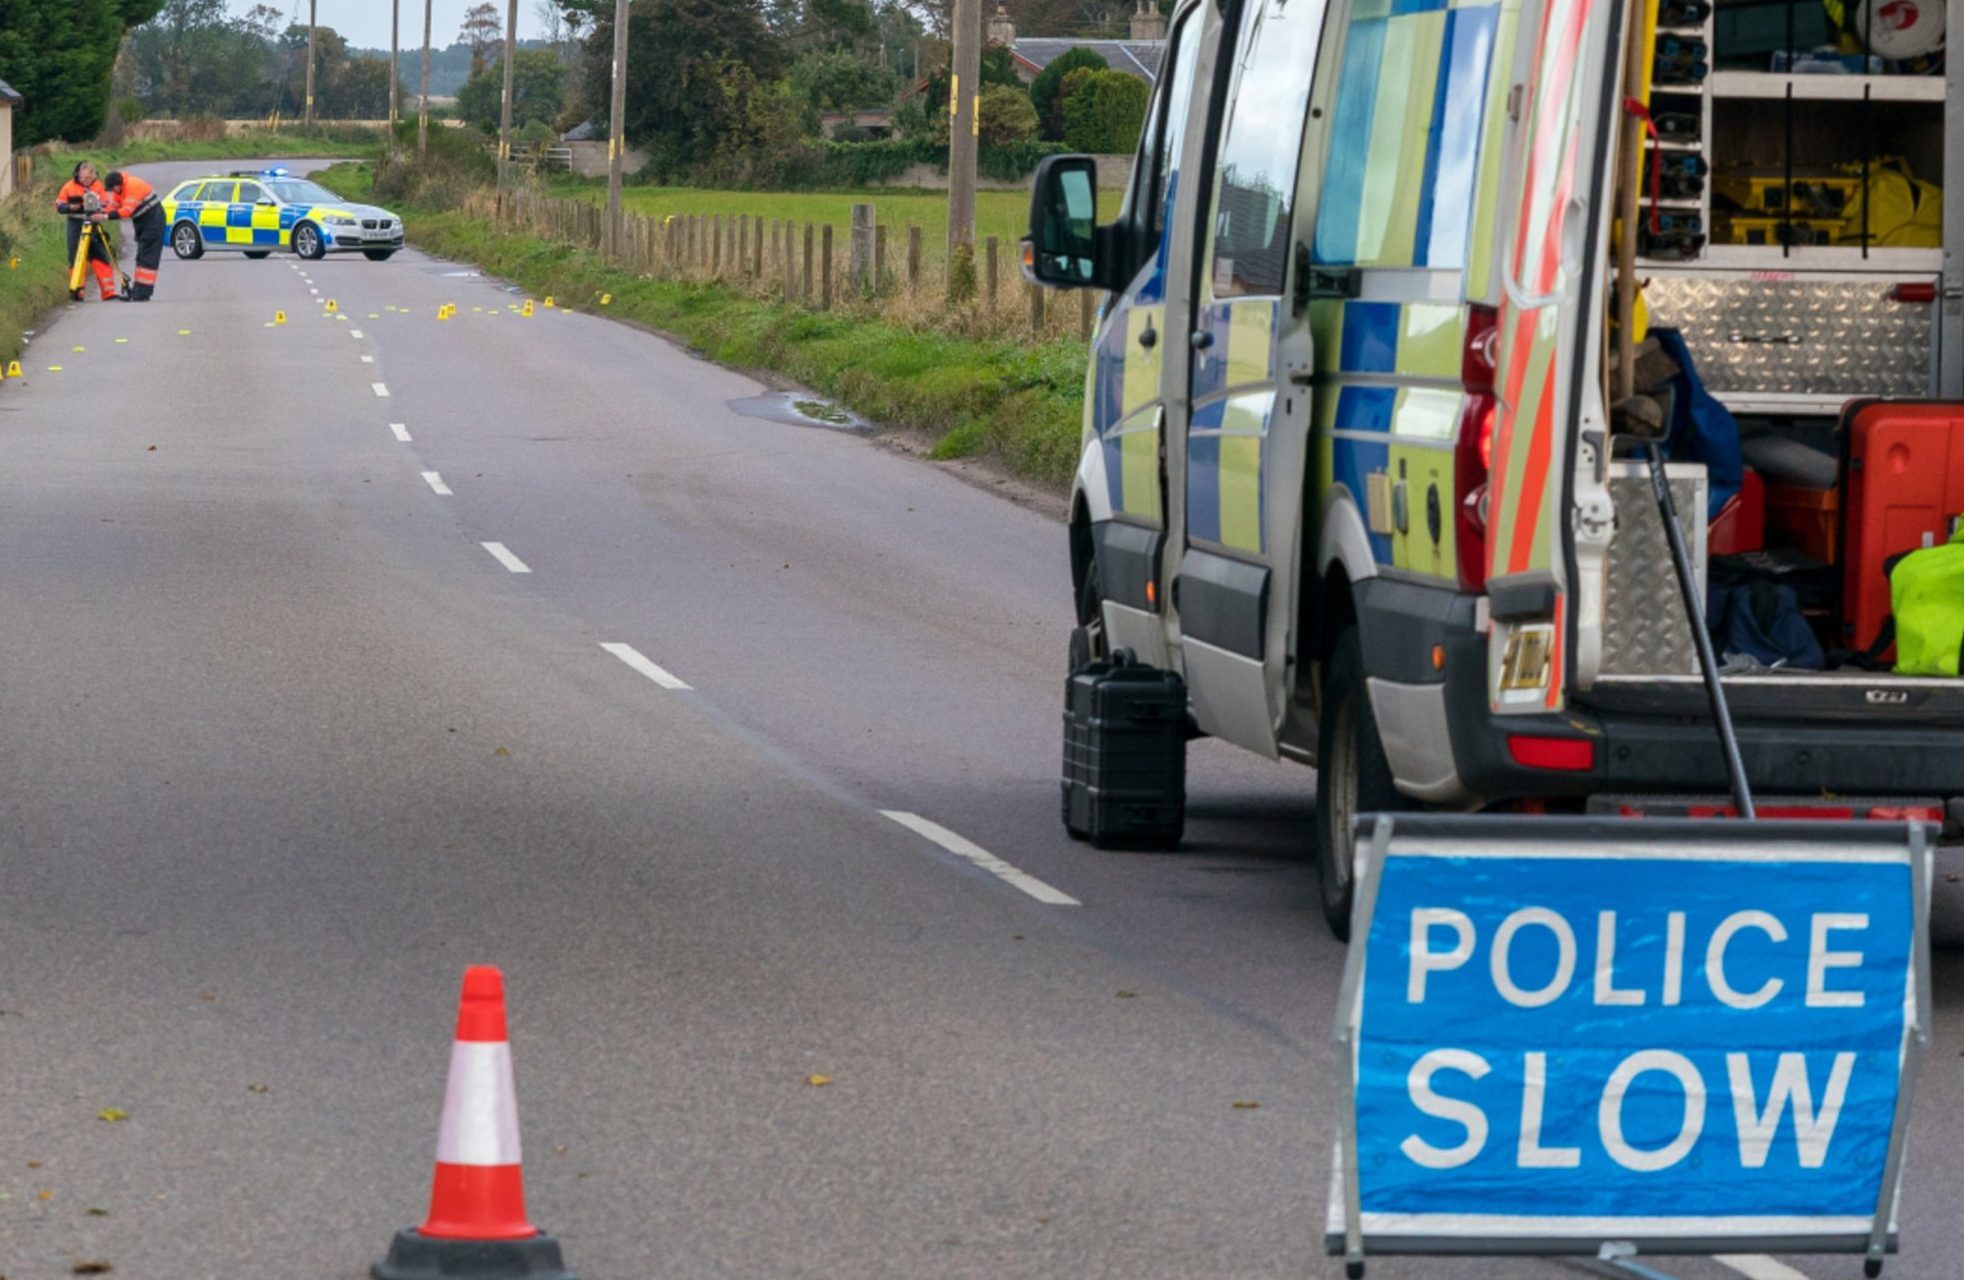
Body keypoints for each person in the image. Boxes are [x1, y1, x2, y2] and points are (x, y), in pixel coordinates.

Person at [52, 161, 117, 303]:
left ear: (94, 175)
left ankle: (109, 292)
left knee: (100, 257)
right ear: (78, 175)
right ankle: (77, 290)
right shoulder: (69, 186)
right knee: (76, 258)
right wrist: (71, 207)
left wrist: (99, 208)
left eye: (88, 178)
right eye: (83, 178)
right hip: (75, 224)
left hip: (93, 224)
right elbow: (58, 205)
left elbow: (108, 204)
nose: (85, 181)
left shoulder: (99, 186)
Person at [101, 170, 164, 302]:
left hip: (153, 219)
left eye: (113, 189)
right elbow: (114, 206)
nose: (113, 192)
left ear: (118, 184)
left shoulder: (132, 186)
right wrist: (100, 211)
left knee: (148, 257)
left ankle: (143, 293)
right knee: (141, 256)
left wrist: (105, 216)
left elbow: (126, 211)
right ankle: (138, 291)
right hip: (142, 220)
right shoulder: (120, 189)